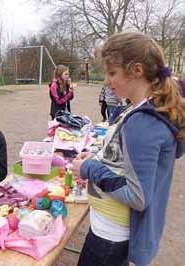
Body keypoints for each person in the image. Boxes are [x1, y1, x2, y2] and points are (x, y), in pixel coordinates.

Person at [71, 32, 185, 266]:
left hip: (110, 237)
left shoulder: (144, 123)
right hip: (108, 229)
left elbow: (137, 196)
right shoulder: (137, 109)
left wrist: (90, 168)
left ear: (137, 70)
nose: (106, 80)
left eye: (112, 73)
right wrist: (97, 157)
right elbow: (125, 161)